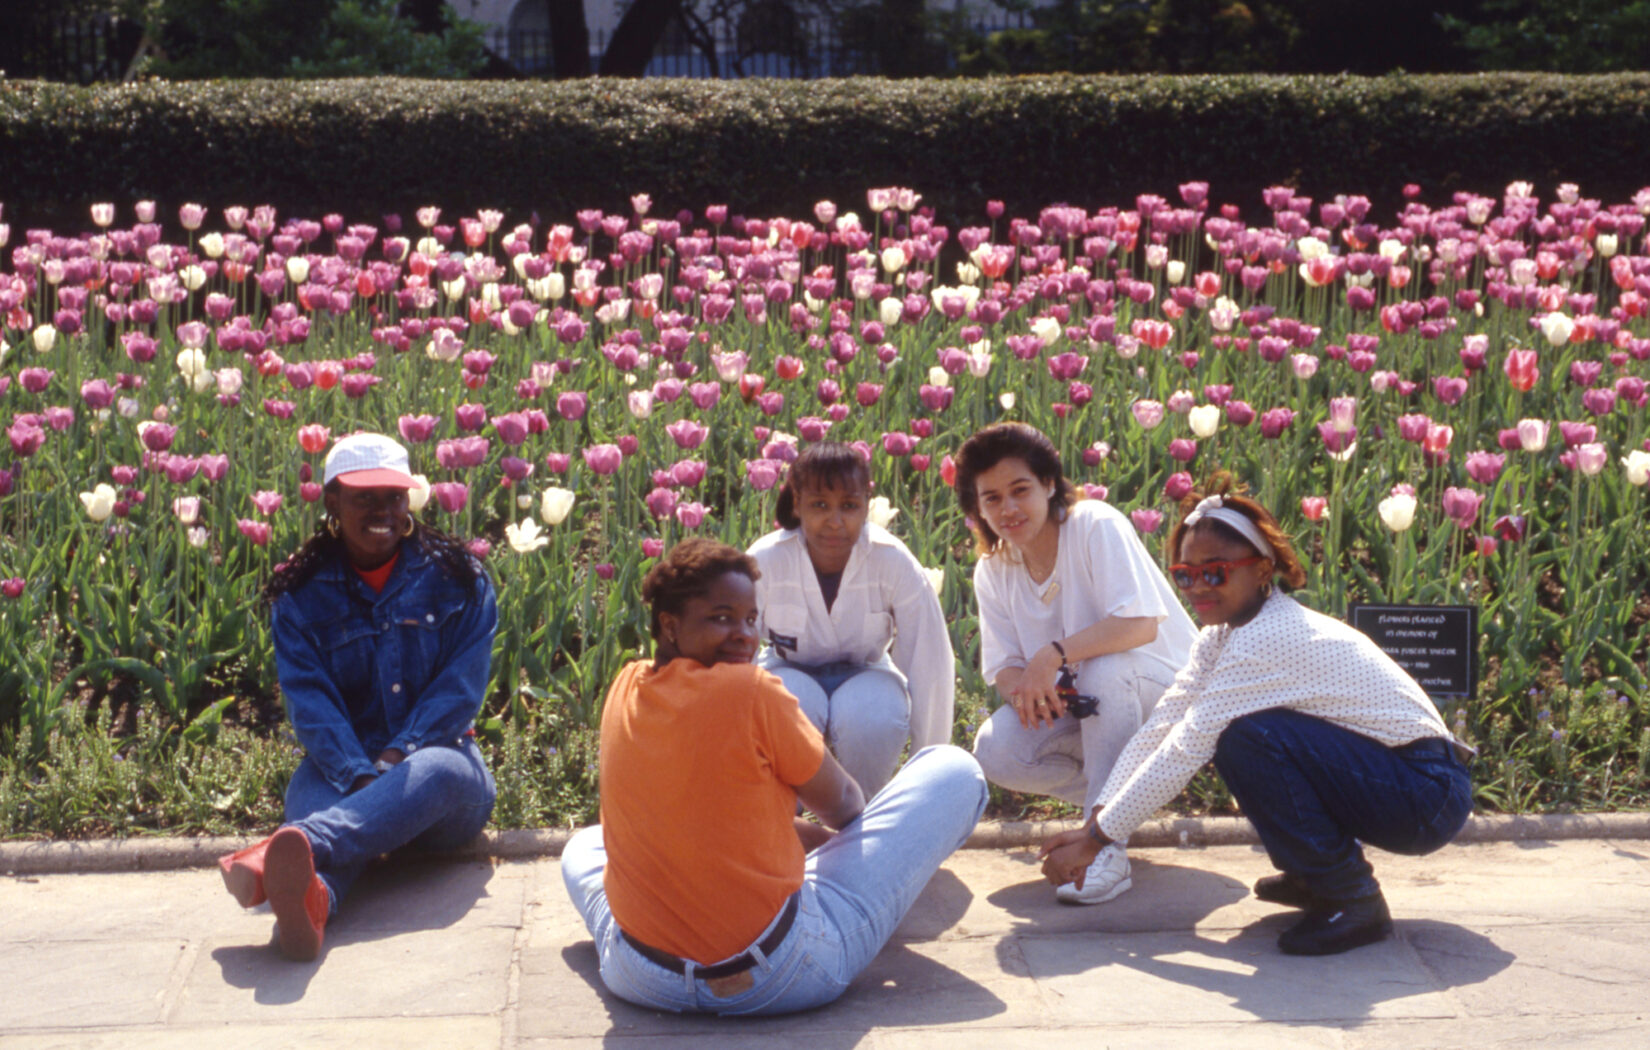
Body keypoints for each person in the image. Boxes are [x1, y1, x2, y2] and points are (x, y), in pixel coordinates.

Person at [1039, 476, 1474, 956]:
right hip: (1400, 781)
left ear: (1263, 569)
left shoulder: (1265, 638)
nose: (1198, 586)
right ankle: (1315, 875)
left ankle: (1353, 899)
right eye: (1185, 574)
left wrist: (1098, 839)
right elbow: (1161, 728)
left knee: (1246, 736)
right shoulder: (1221, 636)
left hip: (1427, 795)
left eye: (1216, 571)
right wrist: (1096, 822)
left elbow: (1186, 748)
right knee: (1242, 735)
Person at [562, 537, 987, 1015]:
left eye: (750, 619)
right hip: (775, 976)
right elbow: (845, 806)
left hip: (642, 975)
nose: (744, 634)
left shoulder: (626, 685)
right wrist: (864, 856)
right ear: (670, 625)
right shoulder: (751, 690)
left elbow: (702, 814)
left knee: (582, 847)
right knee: (956, 770)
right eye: (721, 617)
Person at [216, 432, 499, 961]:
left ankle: (286, 853)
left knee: (434, 770)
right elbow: (310, 703)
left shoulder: (460, 579)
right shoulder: (301, 594)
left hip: (440, 776)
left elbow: (458, 692)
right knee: (316, 799)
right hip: (341, 768)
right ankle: (314, 900)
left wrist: (396, 758)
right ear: (332, 502)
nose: (382, 511)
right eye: (364, 498)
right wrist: (364, 778)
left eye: (393, 496)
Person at [954, 422, 1196, 906]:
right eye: (992, 499)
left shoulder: (1093, 525)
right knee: (997, 748)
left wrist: (1051, 655)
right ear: (976, 509)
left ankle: (1104, 846)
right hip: (1094, 709)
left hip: (1169, 700)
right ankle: (1124, 801)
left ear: (1049, 484)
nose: (1008, 509)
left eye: (1020, 490)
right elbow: (1003, 666)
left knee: (1104, 672)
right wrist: (1028, 692)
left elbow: (1140, 626)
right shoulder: (994, 569)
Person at [747, 442, 955, 797]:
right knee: (785, 711)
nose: (835, 521)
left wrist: (928, 769)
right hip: (786, 670)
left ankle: (861, 818)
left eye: (849, 506)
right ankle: (782, 821)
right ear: (797, 504)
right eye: (819, 506)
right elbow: (737, 648)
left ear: (865, 507)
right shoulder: (765, 560)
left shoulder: (892, 560)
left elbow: (929, 659)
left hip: (866, 670)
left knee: (871, 720)